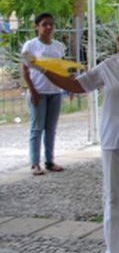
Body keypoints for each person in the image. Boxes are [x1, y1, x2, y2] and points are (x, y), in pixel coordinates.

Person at [27, 18, 119, 253]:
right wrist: (41, 69)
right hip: (114, 138)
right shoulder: (107, 67)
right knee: (114, 195)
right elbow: (76, 85)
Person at [21, 12, 66, 176]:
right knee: (37, 128)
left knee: (51, 128)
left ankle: (50, 160)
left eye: (51, 24)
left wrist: (66, 86)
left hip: (55, 91)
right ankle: (35, 163)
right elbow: (25, 70)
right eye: (45, 24)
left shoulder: (58, 46)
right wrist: (32, 91)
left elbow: (60, 69)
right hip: (39, 91)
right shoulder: (30, 45)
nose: (48, 27)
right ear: (37, 27)